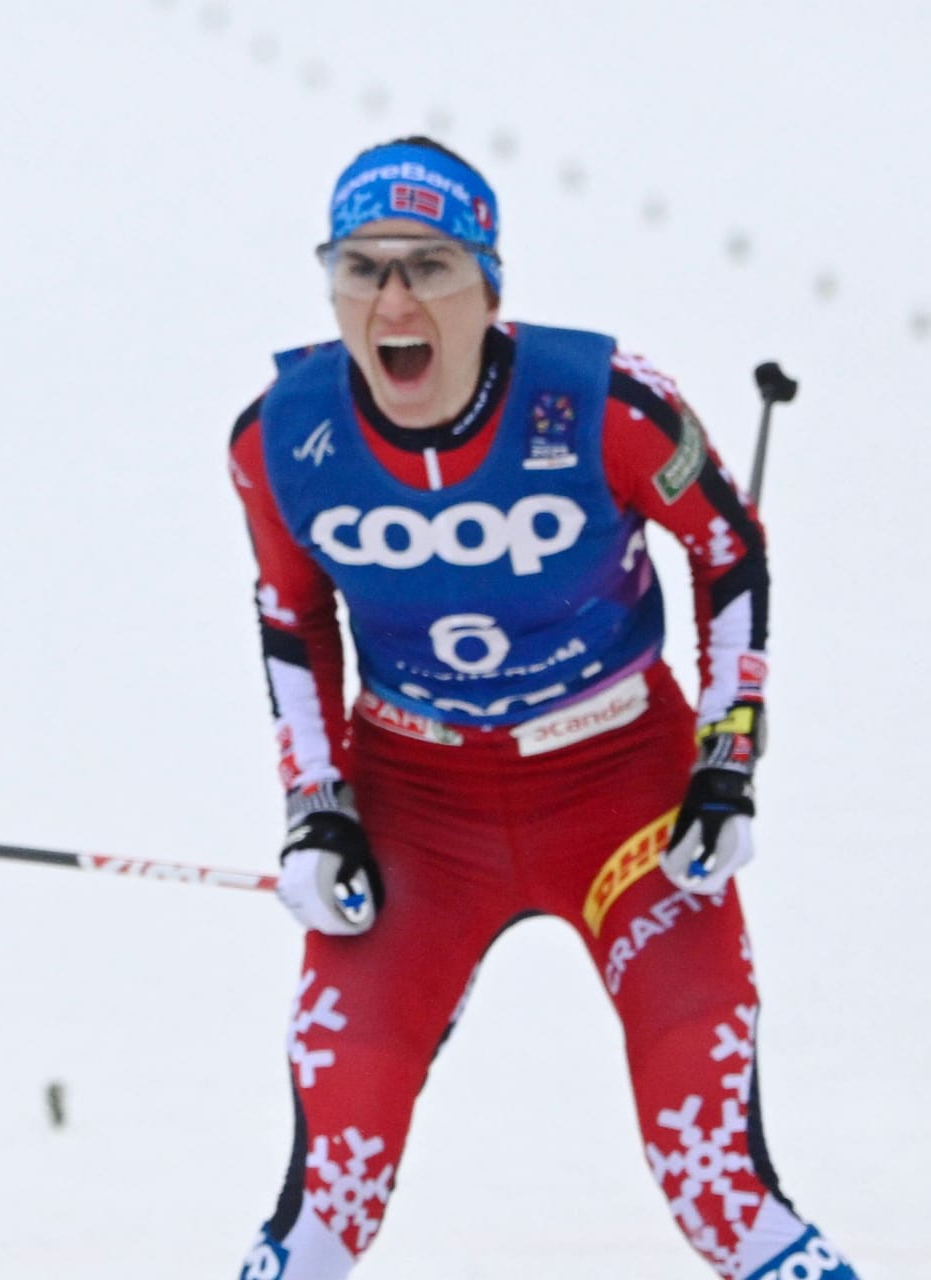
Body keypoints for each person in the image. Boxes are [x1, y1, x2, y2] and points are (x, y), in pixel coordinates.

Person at [228, 137, 855, 1280]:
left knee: (718, 1186)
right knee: (328, 1199)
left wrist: (726, 761)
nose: (395, 299)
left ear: (490, 284)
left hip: (625, 794)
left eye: (429, 264)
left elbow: (729, 555)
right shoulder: (279, 436)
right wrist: (317, 806)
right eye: (362, 267)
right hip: (418, 812)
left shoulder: (606, 404)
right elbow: (292, 622)